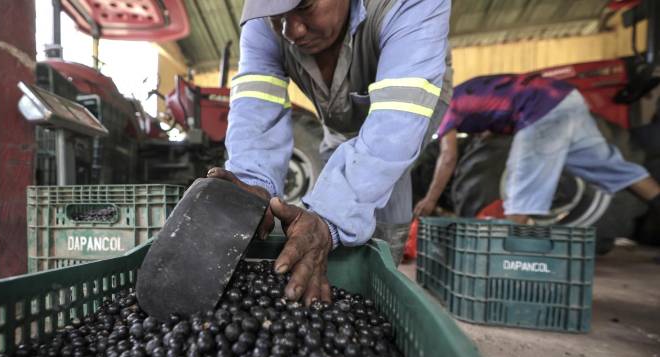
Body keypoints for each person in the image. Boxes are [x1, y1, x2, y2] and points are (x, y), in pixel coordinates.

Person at [206, 0, 451, 305]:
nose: (291, 30)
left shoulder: (408, 5)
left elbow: (395, 125)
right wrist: (253, 183)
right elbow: (257, 109)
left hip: (407, 102)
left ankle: (379, 279)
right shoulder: (264, 22)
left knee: (378, 194)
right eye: (278, 17)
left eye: (306, 6)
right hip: (339, 116)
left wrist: (331, 220)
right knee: (330, 204)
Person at [413, 73, 660, 231]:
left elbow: (448, 157)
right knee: (613, 168)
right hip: (567, 97)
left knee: (521, 188)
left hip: (541, 109)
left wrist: (430, 200)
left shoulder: (444, 108)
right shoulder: (464, 92)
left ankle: (502, 263)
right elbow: (496, 114)